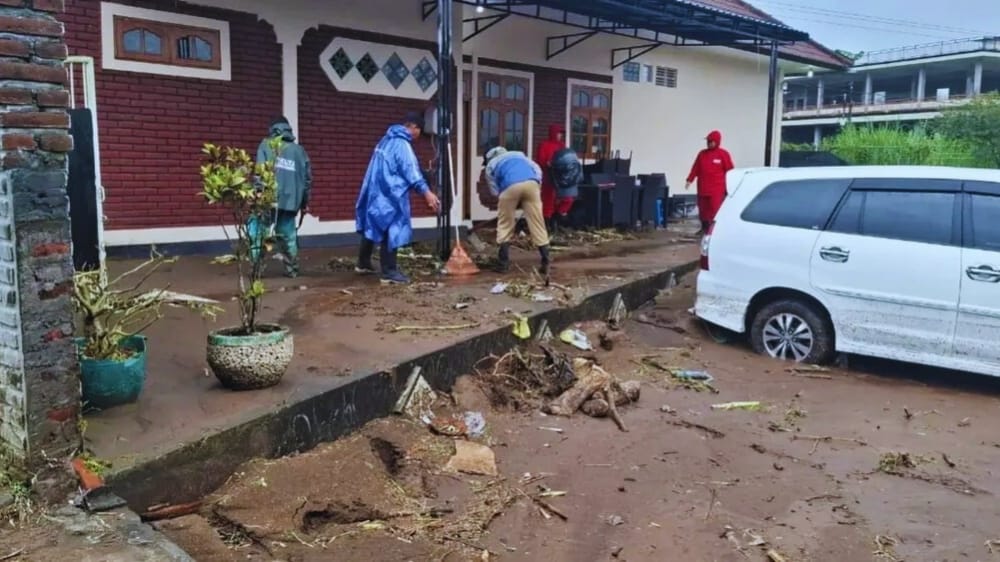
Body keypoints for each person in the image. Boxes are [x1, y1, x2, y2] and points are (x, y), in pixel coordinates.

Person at [355, 112, 441, 284]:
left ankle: (363, 263)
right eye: (419, 130)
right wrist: (427, 192)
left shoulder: (385, 140)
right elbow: (410, 170)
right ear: (413, 127)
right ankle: (389, 272)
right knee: (391, 229)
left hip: (375, 190)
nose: (418, 135)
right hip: (391, 194)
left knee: (373, 224)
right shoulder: (402, 144)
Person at [250, 116, 312, 278]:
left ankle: (256, 271)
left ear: (272, 129)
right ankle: (292, 270)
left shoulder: (265, 145)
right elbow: (306, 181)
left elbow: (259, 174)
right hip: (291, 202)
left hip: (267, 199)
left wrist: (258, 194)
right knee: (288, 236)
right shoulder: (299, 151)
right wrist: (304, 203)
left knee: (258, 233)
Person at [482, 146, 550, 275]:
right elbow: (537, 170)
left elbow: (494, 190)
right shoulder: (520, 156)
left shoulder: (490, 165)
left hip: (509, 187)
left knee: (505, 224)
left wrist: (507, 200)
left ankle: (503, 264)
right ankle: (545, 262)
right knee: (537, 223)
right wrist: (535, 187)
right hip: (532, 184)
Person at [685, 130, 734, 233]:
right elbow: (696, 168)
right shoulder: (702, 154)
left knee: (714, 210)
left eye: (711, 141)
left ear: (717, 141)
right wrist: (690, 179)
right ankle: (704, 228)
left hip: (717, 189)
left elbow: (730, 171)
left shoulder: (723, 154)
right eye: (708, 141)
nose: (709, 143)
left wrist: (731, 185)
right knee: (703, 209)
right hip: (703, 187)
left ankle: (714, 231)